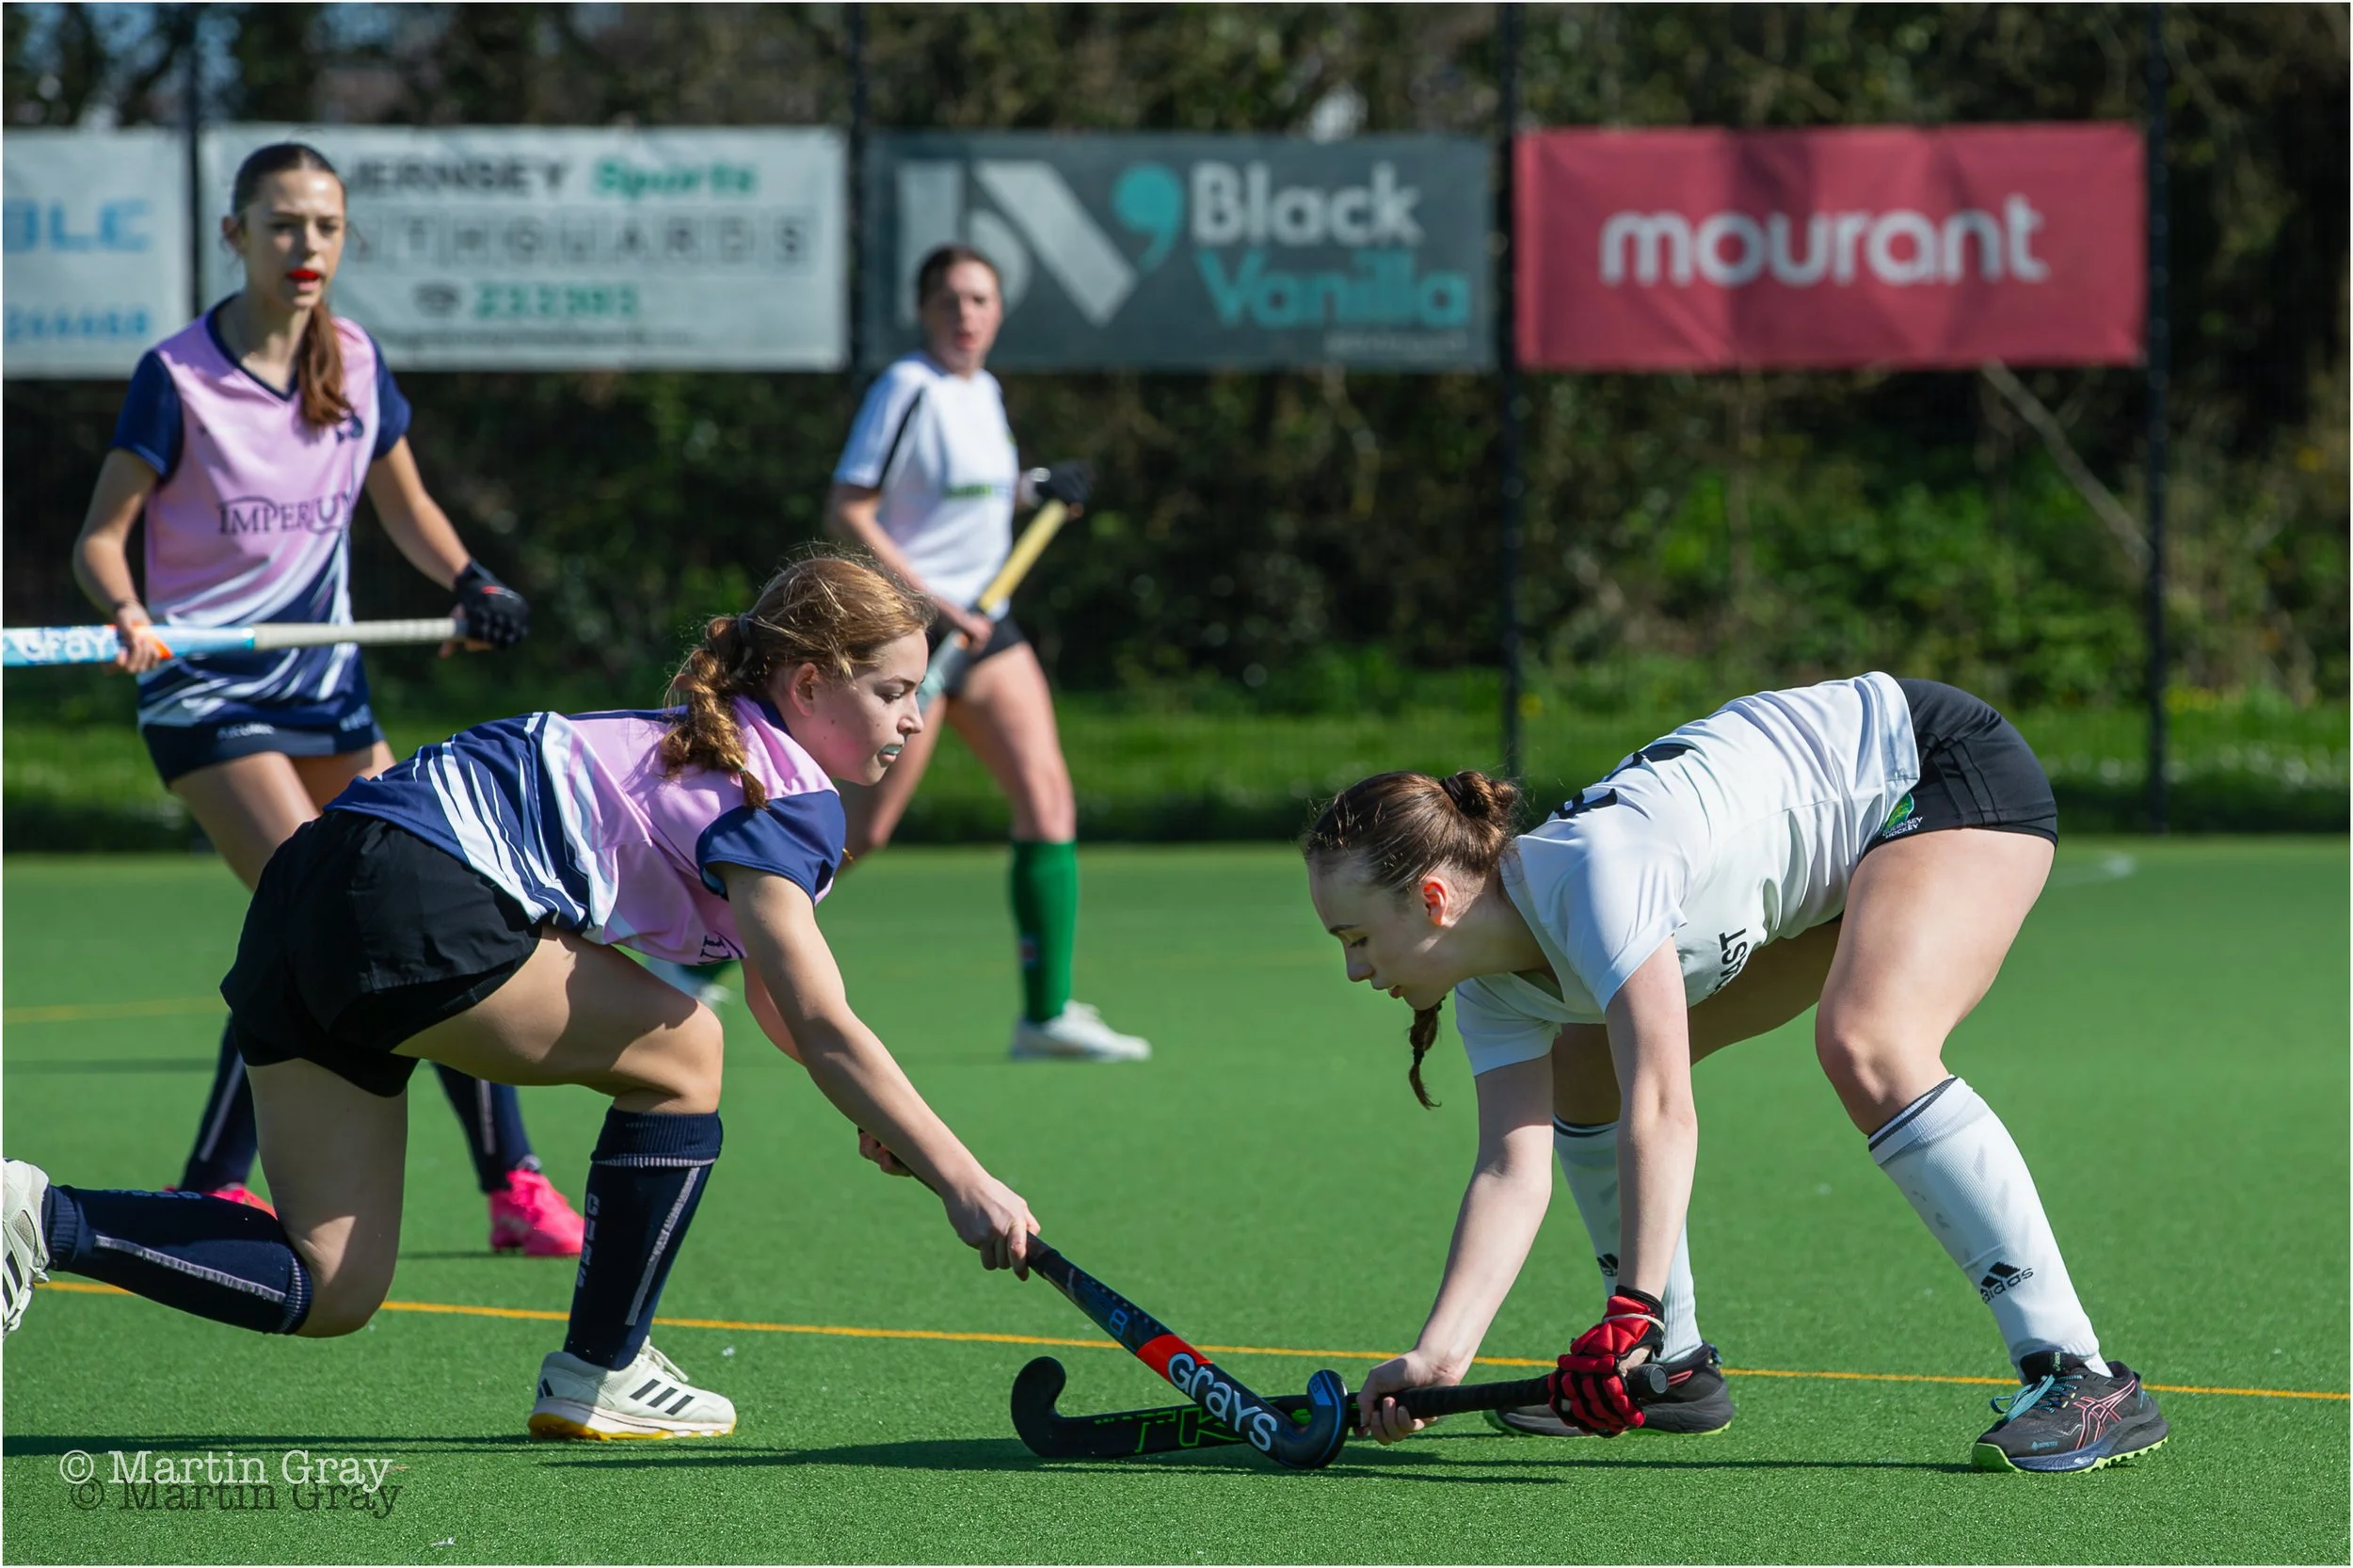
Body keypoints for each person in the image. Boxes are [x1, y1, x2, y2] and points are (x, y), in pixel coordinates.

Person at [1, 552, 1042, 1441]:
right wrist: (965, 1178)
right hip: (416, 891)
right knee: (687, 1051)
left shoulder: (709, 743)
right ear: (809, 684)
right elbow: (820, 1020)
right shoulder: (784, 796)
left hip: (308, 888)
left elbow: (786, 1001)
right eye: (895, 692)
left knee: (330, 1284)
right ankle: (603, 1369)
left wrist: (881, 1118)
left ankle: (39, 1216)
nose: (916, 719)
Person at [1305, 673, 2169, 1475]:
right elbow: (1509, 1168)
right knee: (1584, 1068)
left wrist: (1629, 1310)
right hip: (1822, 857)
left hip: (1933, 772)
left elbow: (1661, 1104)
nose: (1353, 970)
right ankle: (1672, 1369)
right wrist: (1440, 1356)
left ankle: (2082, 1376)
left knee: (1868, 1044)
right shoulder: (1490, 988)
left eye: (1357, 938)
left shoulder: (1594, 879)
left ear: (1433, 900)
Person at [68, 140, 582, 1256]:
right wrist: (128, 610)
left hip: (327, 694)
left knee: (445, 889)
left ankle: (513, 1185)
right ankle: (214, 1185)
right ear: (236, 235)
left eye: (326, 226)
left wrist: (471, 581)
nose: (306, 246)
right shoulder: (178, 375)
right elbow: (100, 540)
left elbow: (406, 507)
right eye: (283, 224)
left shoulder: (353, 358)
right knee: (329, 904)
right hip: (208, 693)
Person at [823, 242, 1148, 1064]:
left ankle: (1045, 1016)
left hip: (987, 626)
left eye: (980, 301)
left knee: (1047, 800)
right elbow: (850, 508)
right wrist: (930, 604)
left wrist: (1037, 488)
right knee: (866, 829)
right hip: (911, 629)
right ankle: (696, 947)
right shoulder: (906, 388)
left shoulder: (985, 392)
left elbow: (975, 494)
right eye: (951, 301)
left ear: (997, 313)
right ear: (924, 311)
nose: (966, 315)